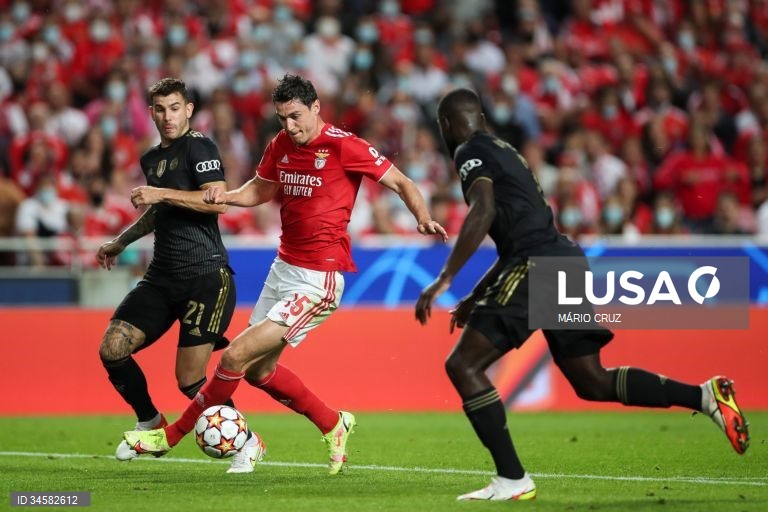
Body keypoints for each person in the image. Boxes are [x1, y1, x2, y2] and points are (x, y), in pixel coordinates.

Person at [414, 88, 750, 501]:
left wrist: (445, 277)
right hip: (562, 260)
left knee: (464, 365)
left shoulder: (469, 151)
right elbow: (519, 237)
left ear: (446, 125)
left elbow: (482, 210)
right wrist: (476, 295)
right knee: (592, 380)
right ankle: (704, 395)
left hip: (536, 266)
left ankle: (513, 479)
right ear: (482, 117)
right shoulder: (505, 151)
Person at [123, 74, 447, 474]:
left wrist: (422, 217)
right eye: (282, 119)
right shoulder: (281, 144)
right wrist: (226, 196)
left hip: (318, 279)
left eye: (295, 117)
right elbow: (260, 190)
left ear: (315, 108)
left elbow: (401, 181)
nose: (289, 126)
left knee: (236, 354)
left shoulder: (344, 145)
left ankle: (169, 436)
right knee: (258, 370)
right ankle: (333, 423)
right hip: (283, 268)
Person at [97, 78, 264, 474]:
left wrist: (159, 193)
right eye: (160, 109)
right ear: (151, 113)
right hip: (162, 276)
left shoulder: (199, 147)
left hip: (205, 276)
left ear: (188, 110)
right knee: (112, 349)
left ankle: (248, 441)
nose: (167, 116)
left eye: (174, 108)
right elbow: (159, 213)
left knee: (190, 381)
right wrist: (120, 241)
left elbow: (217, 200)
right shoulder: (151, 159)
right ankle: (150, 422)